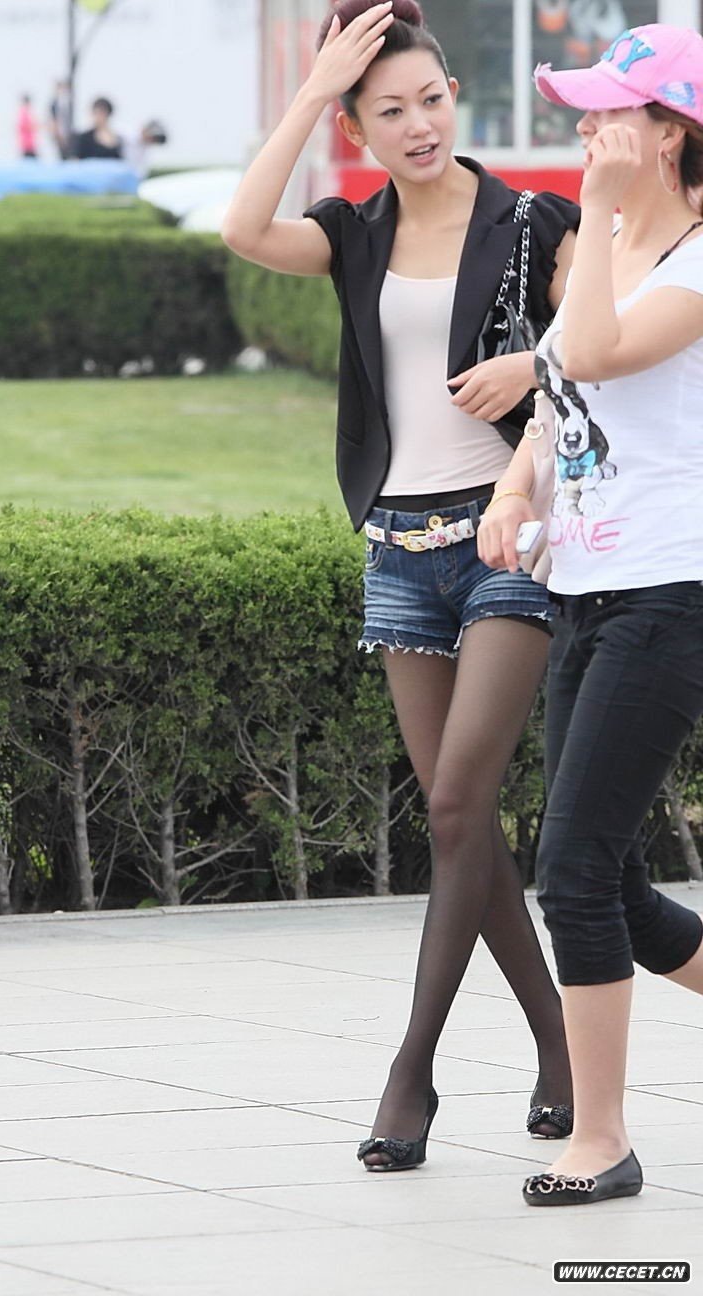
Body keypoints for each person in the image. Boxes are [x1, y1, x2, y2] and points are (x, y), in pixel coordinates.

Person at [223, 0, 580, 1171]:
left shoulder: (532, 222)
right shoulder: (353, 234)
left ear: (451, 98)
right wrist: (305, 92)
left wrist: (533, 363)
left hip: (508, 541)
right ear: (357, 128)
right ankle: (560, 1050)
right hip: (397, 552)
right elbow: (242, 226)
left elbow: (622, 334)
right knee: (460, 822)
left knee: (453, 807)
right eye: (388, 111)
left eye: (430, 100)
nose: (419, 124)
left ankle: (409, 1072)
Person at [478, 23, 703, 1207]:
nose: (583, 127)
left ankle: (600, 1140)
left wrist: (601, 210)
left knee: (568, 868)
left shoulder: (693, 260)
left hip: (670, 593)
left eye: (608, 110)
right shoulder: (611, 247)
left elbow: (605, 352)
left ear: (669, 133)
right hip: (580, 591)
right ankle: (601, 1132)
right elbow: (557, 395)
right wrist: (513, 492)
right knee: (603, 879)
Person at [48, 79, 73, 160]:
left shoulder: (68, 103)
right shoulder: (54, 104)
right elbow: (53, 120)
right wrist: (57, 133)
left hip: (68, 133)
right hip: (58, 133)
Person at [17, 95, 39, 160]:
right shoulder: (24, 113)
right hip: (27, 144)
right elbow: (26, 127)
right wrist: (37, 126)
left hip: (30, 143)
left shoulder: (27, 113)